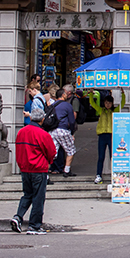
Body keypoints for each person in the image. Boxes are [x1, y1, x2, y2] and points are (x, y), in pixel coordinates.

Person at [11, 106, 57, 235]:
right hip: (38, 168)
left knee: (27, 195)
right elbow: (51, 152)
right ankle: (34, 225)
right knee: (38, 197)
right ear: (42, 119)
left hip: (25, 168)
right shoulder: (43, 134)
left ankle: (18, 217)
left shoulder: (21, 132)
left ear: (31, 117)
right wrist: (48, 162)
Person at [89, 89, 125, 184]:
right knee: (101, 157)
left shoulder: (115, 111)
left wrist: (122, 94)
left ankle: (114, 175)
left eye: (109, 103)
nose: (107, 104)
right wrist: (91, 94)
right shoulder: (101, 110)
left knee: (112, 156)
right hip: (102, 135)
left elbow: (123, 103)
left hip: (111, 135)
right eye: (106, 103)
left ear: (112, 103)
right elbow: (92, 103)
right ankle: (98, 175)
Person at [50, 87, 78, 177]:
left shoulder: (52, 105)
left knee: (52, 153)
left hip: (52, 131)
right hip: (63, 130)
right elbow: (72, 121)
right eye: (65, 94)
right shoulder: (67, 106)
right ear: (63, 95)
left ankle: (45, 174)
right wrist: (72, 132)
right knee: (71, 150)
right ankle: (67, 170)